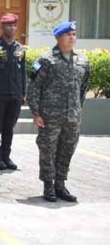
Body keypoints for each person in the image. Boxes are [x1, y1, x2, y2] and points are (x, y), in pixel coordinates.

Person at [29, 21, 90, 202]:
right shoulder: (46, 60)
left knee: (67, 150)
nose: (72, 38)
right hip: (50, 116)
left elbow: (83, 88)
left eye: (74, 34)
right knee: (48, 150)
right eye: (68, 35)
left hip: (72, 116)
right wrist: (35, 112)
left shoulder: (82, 60)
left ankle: (60, 185)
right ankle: (48, 185)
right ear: (58, 38)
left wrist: (78, 109)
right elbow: (33, 86)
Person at [0, 13, 26, 170]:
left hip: (15, 95)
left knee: (9, 127)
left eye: (14, 25)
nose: (12, 27)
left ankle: (6, 156)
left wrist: (23, 93)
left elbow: (22, 72)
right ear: (2, 27)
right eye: (8, 25)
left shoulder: (20, 49)